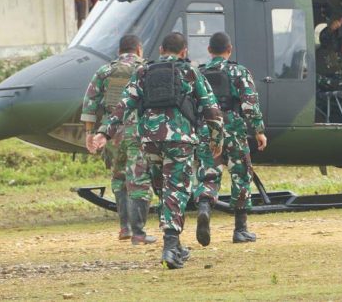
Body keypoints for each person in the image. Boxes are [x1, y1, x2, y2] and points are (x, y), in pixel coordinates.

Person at [92, 32, 224, 269]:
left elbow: (124, 105)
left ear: (161, 49)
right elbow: (210, 107)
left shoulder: (143, 72)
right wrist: (216, 137)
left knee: (163, 189)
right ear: (184, 51)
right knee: (176, 189)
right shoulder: (190, 72)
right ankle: (171, 246)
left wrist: (104, 133)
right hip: (179, 139)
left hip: (150, 141)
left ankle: (177, 244)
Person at [192, 32, 268, 247]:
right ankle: (240, 229)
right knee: (241, 174)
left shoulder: (199, 73)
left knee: (208, 172)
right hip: (233, 127)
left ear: (209, 50)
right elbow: (249, 103)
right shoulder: (238, 71)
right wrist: (258, 131)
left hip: (207, 127)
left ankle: (205, 208)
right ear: (230, 49)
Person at [80, 35, 156, 243]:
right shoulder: (146, 69)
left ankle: (125, 228)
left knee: (119, 178)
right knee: (138, 180)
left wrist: (89, 134)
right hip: (138, 131)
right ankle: (139, 233)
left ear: (119, 51)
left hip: (111, 133)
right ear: (139, 49)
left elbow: (90, 103)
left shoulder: (105, 71)